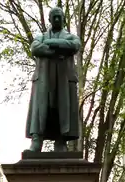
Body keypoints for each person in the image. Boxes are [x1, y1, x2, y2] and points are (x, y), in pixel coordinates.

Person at [25, 7, 81, 152]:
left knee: (62, 109)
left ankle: (61, 141)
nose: (56, 19)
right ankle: (37, 141)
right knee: (41, 109)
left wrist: (51, 44)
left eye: (59, 17)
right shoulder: (41, 37)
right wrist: (57, 51)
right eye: (54, 17)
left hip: (63, 80)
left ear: (63, 19)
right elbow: (35, 48)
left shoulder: (70, 37)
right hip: (44, 79)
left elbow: (75, 45)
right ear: (49, 20)